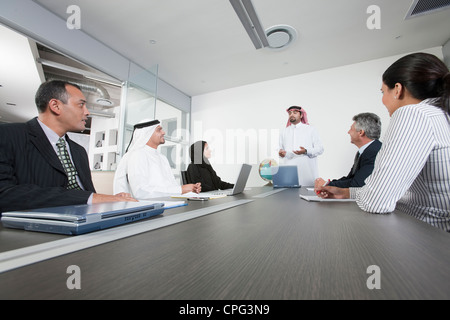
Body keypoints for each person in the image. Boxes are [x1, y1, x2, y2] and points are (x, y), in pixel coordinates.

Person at [317, 53, 450, 232]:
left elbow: (377, 202)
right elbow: (396, 192)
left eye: (382, 91)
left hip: (429, 236)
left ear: (397, 89)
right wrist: (346, 193)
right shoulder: (440, 114)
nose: (382, 100)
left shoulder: (414, 114)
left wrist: (353, 192)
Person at [0, 80, 136, 214]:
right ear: (55, 106)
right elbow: (4, 195)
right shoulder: (8, 135)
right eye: (81, 105)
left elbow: (87, 194)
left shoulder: (79, 151)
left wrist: (111, 200)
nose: (87, 112)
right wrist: (93, 198)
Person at [113, 120, 201, 199]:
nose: (163, 132)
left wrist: (190, 190)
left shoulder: (162, 158)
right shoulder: (137, 155)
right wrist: (181, 190)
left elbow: (172, 187)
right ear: (147, 134)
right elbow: (140, 192)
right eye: (159, 130)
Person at [315, 113, 382, 189]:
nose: (348, 132)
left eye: (351, 129)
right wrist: (328, 184)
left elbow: (357, 184)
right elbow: (350, 178)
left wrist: (327, 185)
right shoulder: (365, 151)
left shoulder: (374, 152)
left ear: (361, 132)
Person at [279, 106, 324, 186]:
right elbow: (281, 150)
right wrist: (281, 153)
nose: (291, 115)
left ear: (301, 115)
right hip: (289, 176)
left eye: (295, 113)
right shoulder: (284, 131)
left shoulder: (311, 129)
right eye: (290, 113)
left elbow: (320, 149)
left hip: (307, 176)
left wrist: (306, 151)